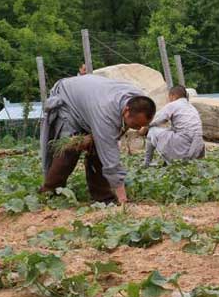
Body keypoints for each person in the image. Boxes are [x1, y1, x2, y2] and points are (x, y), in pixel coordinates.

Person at [40, 74, 156, 204]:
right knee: (70, 149)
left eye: (142, 125)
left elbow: (116, 132)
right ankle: (49, 192)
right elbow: (110, 159)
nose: (138, 128)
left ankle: (102, 197)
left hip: (89, 100)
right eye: (135, 125)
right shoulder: (105, 113)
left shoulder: (139, 100)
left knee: (97, 149)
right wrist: (123, 199)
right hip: (69, 102)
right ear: (126, 111)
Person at [140, 85, 205, 166]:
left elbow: (155, 120)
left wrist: (144, 127)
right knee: (168, 131)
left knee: (152, 130)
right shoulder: (192, 107)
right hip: (197, 148)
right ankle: (167, 161)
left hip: (183, 144)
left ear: (172, 95)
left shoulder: (173, 105)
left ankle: (147, 163)